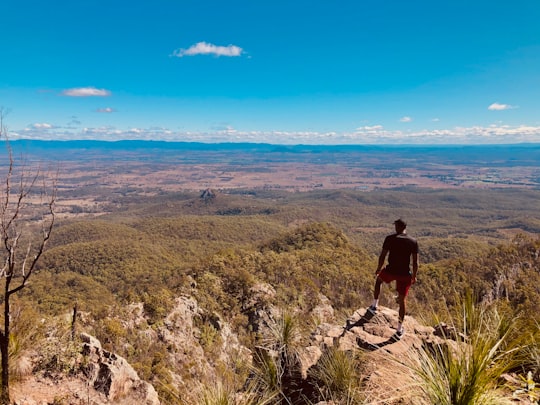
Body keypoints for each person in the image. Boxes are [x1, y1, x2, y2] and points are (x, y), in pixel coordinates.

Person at [368, 218, 418, 339]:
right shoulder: (413, 241)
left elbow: (382, 256)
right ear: (405, 227)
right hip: (404, 274)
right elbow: (415, 262)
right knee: (402, 300)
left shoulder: (390, 239)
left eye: (395, 226)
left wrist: (379, 269)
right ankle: (399, 330)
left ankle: (374, 305)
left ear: (397, 227)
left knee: (379, 281)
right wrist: (414, 276)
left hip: (390, 270)